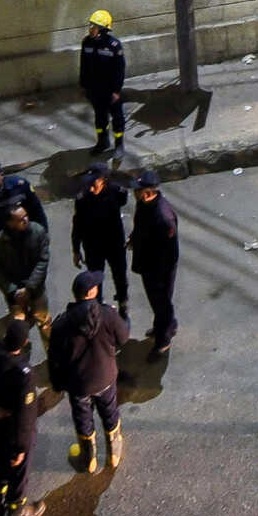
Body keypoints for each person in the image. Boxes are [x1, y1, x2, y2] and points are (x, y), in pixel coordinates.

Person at [48, 269, 131, 474]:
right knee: (110, 411)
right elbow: (124, 338)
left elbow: (55, 359)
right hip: (105, 377)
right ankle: (114, 452)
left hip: (78, 384)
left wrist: (57, 383)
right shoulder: (108, 314)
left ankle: (89, 458)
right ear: (92, 292)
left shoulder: (61, 324)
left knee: (83, 417)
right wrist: (122, 317)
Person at [0, 319, 45, 516]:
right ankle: (18, 511)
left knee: (1, 461)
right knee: (18, 469)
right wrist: (21, 448)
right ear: (24, 343)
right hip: (13, 431)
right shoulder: (23, 374)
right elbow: (26, 416)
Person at [130, 170, 181, 355]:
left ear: (149, 192)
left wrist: (160, 275)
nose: (134, 193)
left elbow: (169, 252)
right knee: (158, 303)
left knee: (161, 303)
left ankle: (163, 340)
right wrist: (134, 239)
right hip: (147, 261)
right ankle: (168, 324)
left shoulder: (163, 216)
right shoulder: (143, 204)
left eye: (138, 190)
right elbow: (140, 226)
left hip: (159, 269)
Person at [71, 163, 131, 317]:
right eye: (89, 182)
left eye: (94, 182)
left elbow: (123, 200)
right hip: (92, 246)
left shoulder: (116, 191)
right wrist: (76, 249)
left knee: (120, 275)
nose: (91, 187)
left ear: (104, 180)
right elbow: (77, 225)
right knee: (95, 280)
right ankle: (97, 307)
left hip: (114, 243)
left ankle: (123, 303)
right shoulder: (82, 198)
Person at [0, 202, 51, 326]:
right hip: (14, 294)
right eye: (20, 219)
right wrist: (13, 290)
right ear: (10, 223)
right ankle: (21, 344)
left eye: (26, 216)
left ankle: (50, 346)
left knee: (44, 321)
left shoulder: (38, 232)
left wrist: (29, 287)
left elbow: (42, 261)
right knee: (18, 326)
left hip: (36, 289)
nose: (26, 220)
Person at [0, 162, 46, 262]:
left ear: (1, 175)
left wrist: (44, 235)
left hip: (24, 234)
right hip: (1, 241)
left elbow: (37, 212)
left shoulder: (20, 187)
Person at [80, 9, 128, 156]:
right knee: (100, 118)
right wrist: (83, 86)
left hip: (110, 90)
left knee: (117, 118)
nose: (90, 28)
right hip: (94, 90)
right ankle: (102, 142)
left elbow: (120, 69)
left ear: (102, 30)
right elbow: (83, 65)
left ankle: (119, 145)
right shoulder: (87, 42)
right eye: (90, 25)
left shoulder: (114, 45)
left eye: (94, 26)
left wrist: (116, 91)